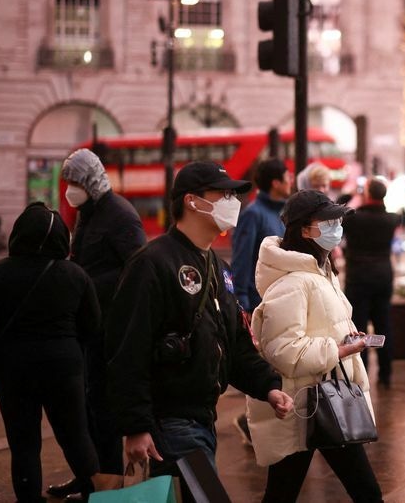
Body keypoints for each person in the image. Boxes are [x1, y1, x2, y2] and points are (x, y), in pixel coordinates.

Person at [104, 161, 293, 478]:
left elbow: (235, 343)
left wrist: (269, 387)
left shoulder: (218, 268)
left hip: (203, 419)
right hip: (169, 424)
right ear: (192, 201)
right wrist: (136, 426)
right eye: (224, 194)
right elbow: (127, 351)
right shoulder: (152, 263)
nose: (233, 203)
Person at [246, 189, 383, 502]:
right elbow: (284, 351)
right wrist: (340, 349)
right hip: (303, 408)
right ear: (304, 230)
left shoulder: (321, 271)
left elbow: (321, 325)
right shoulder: (293, 282)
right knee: (363, 493)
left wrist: (346, 335)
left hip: (327, 400)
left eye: (338, 221)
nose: (337, 228)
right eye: (328, 221)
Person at [0, 202, 100, 503]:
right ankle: (95, 494)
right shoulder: (75, 275)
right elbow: (93, 326)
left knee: (24, 444)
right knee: (76, 436)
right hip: (64, 367)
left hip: (13, 368)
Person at [48, 148, 146, 498]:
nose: (70, 188)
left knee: (103, 412)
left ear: (90, 180)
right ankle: (90, 478)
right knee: (87, 408)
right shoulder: (86, 212)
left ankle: (109, 487)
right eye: (68, 181)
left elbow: (136, 272)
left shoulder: (120, 215)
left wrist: (92, 285)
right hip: (88, 325)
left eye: (75, 180)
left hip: (110, 328)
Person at [342, 178, 402, 387]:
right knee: (383, 324)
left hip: (358, 278)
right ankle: (386, 374)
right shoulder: (393, 219)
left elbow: (337, 209)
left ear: (366, 194)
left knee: (359, 328)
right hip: (383, 276)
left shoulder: (353, 219)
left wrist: (350, 194)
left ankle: (363, 374)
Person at [232, 158, 292, 314]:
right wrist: (243, 301)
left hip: (281, 298)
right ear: (276, 183)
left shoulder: (283, 213)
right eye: (287, 178)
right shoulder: (252, 214)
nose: (290, 182)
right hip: (258, 303)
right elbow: (241, 259)